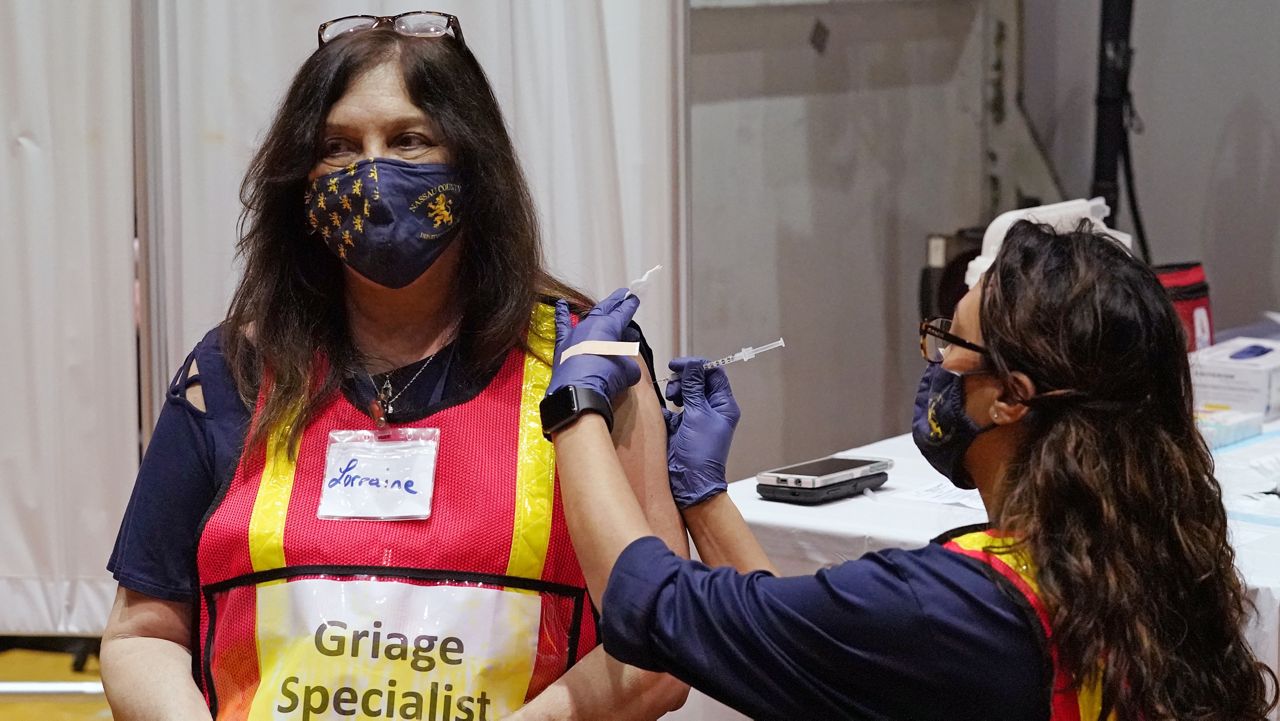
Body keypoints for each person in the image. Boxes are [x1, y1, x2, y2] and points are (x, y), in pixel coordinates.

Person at [101, 12, 689, 720]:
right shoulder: (230, 371)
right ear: (303, 181)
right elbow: (142, 633)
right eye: (338, 146)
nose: (372, 171)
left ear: (474, 167)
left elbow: (658, 646)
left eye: (409, 140)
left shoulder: (587, 366)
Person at [545, 222, 1279, 720]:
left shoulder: (966, 609)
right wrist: (704, 499)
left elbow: (650, 604)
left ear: (1011, 398)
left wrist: (576, 400)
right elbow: (807, 656)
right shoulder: (1134, 559)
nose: (933, 366)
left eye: (949, 344)